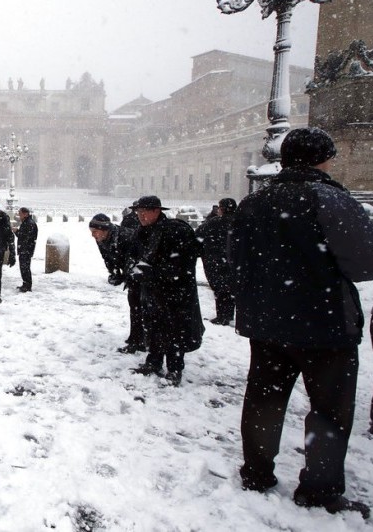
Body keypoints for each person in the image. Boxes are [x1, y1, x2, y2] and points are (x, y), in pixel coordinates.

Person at [230, 127, 373, 518]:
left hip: (267, 325)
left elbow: (234, 264)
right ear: (322, 158)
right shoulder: (332, 199)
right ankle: (319, 489)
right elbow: (364, 263)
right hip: (325, 327)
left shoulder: (254, 203)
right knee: (328, 410)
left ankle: (257, 472)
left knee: (264, 400)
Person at [127, 196, 203, 386]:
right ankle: (153, 362)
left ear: (157, 211)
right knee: (153, 327)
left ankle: (175, 369)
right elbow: (133, 255)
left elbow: (183, 263)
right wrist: (134, 269)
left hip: (175, 293)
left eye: (144, 211)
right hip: (152, 291)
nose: (140, 215)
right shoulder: (142, 231)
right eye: (138, 212)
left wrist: (154, 273)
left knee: (174, 331)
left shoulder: (176, 230)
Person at [89, 213, 142, 353]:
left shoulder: (125, 237)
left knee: (142, 308)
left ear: (105, 229)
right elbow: (106, 257)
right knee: (135, 307)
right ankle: (137, 339)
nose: (92, 235)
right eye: (91, 232)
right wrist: (113, 272)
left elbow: (134, 259)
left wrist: (128, 275)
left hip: (143, 274)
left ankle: (141, 340)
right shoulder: (101, 238)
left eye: (95, 232)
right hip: (131, 274)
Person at [195, 197, 237, 325]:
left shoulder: (213, 223)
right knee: (230, 289)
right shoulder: (240, 222)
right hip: (234, 261)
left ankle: (222, 316)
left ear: (222, 209)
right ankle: (229, 314)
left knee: (220, 289)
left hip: (214, 260)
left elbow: (197, 237)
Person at [15, 207, 38, 292]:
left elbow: (25, 237)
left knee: (25, 268)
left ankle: (27, 286)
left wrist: (16, 231)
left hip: (26, 249)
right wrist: (17, 231)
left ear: (25, 214)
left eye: (20, 213)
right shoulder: (26, 222)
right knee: (23, 268)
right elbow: (23, 235)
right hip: (24, 249)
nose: (19, 215)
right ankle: (25, 284)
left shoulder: (29, 223)